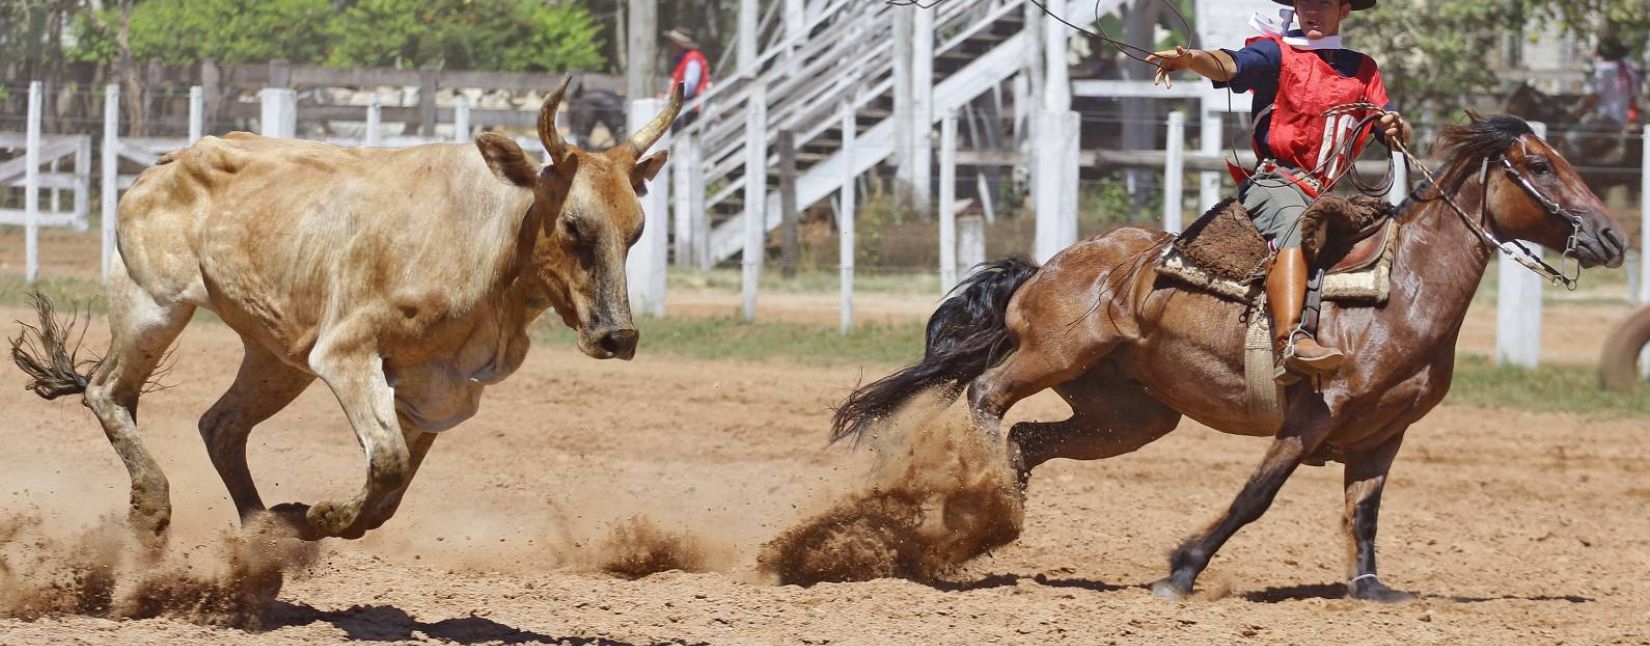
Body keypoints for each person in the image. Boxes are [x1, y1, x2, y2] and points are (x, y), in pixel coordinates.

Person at [1146, 0, 1411, 384]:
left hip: (1326, 192)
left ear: (1345, 10)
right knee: (1297, 224)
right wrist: (1191, 59)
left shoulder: (1363, 68)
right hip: (1276, 181)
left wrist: (1395, 127)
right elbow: (1231, 64)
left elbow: (1396, 135)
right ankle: (1291, 341)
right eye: (1306, 3)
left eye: (1324, 3)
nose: (1313, 11)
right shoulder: (1275, 52)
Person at [1581, 35, 1640, 128]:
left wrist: (1578, 111)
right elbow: (1633, 100)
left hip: (1605, 121)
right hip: (1623, 121)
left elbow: (1593, 96)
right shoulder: (1629, 71)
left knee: (1572, 138)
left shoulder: (1605, 68)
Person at [665, 26, 710, 132]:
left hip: (693, 108)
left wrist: (672, 96)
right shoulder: (687, 59)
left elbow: (689, 87)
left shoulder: (692, 60)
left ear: (679, 44)